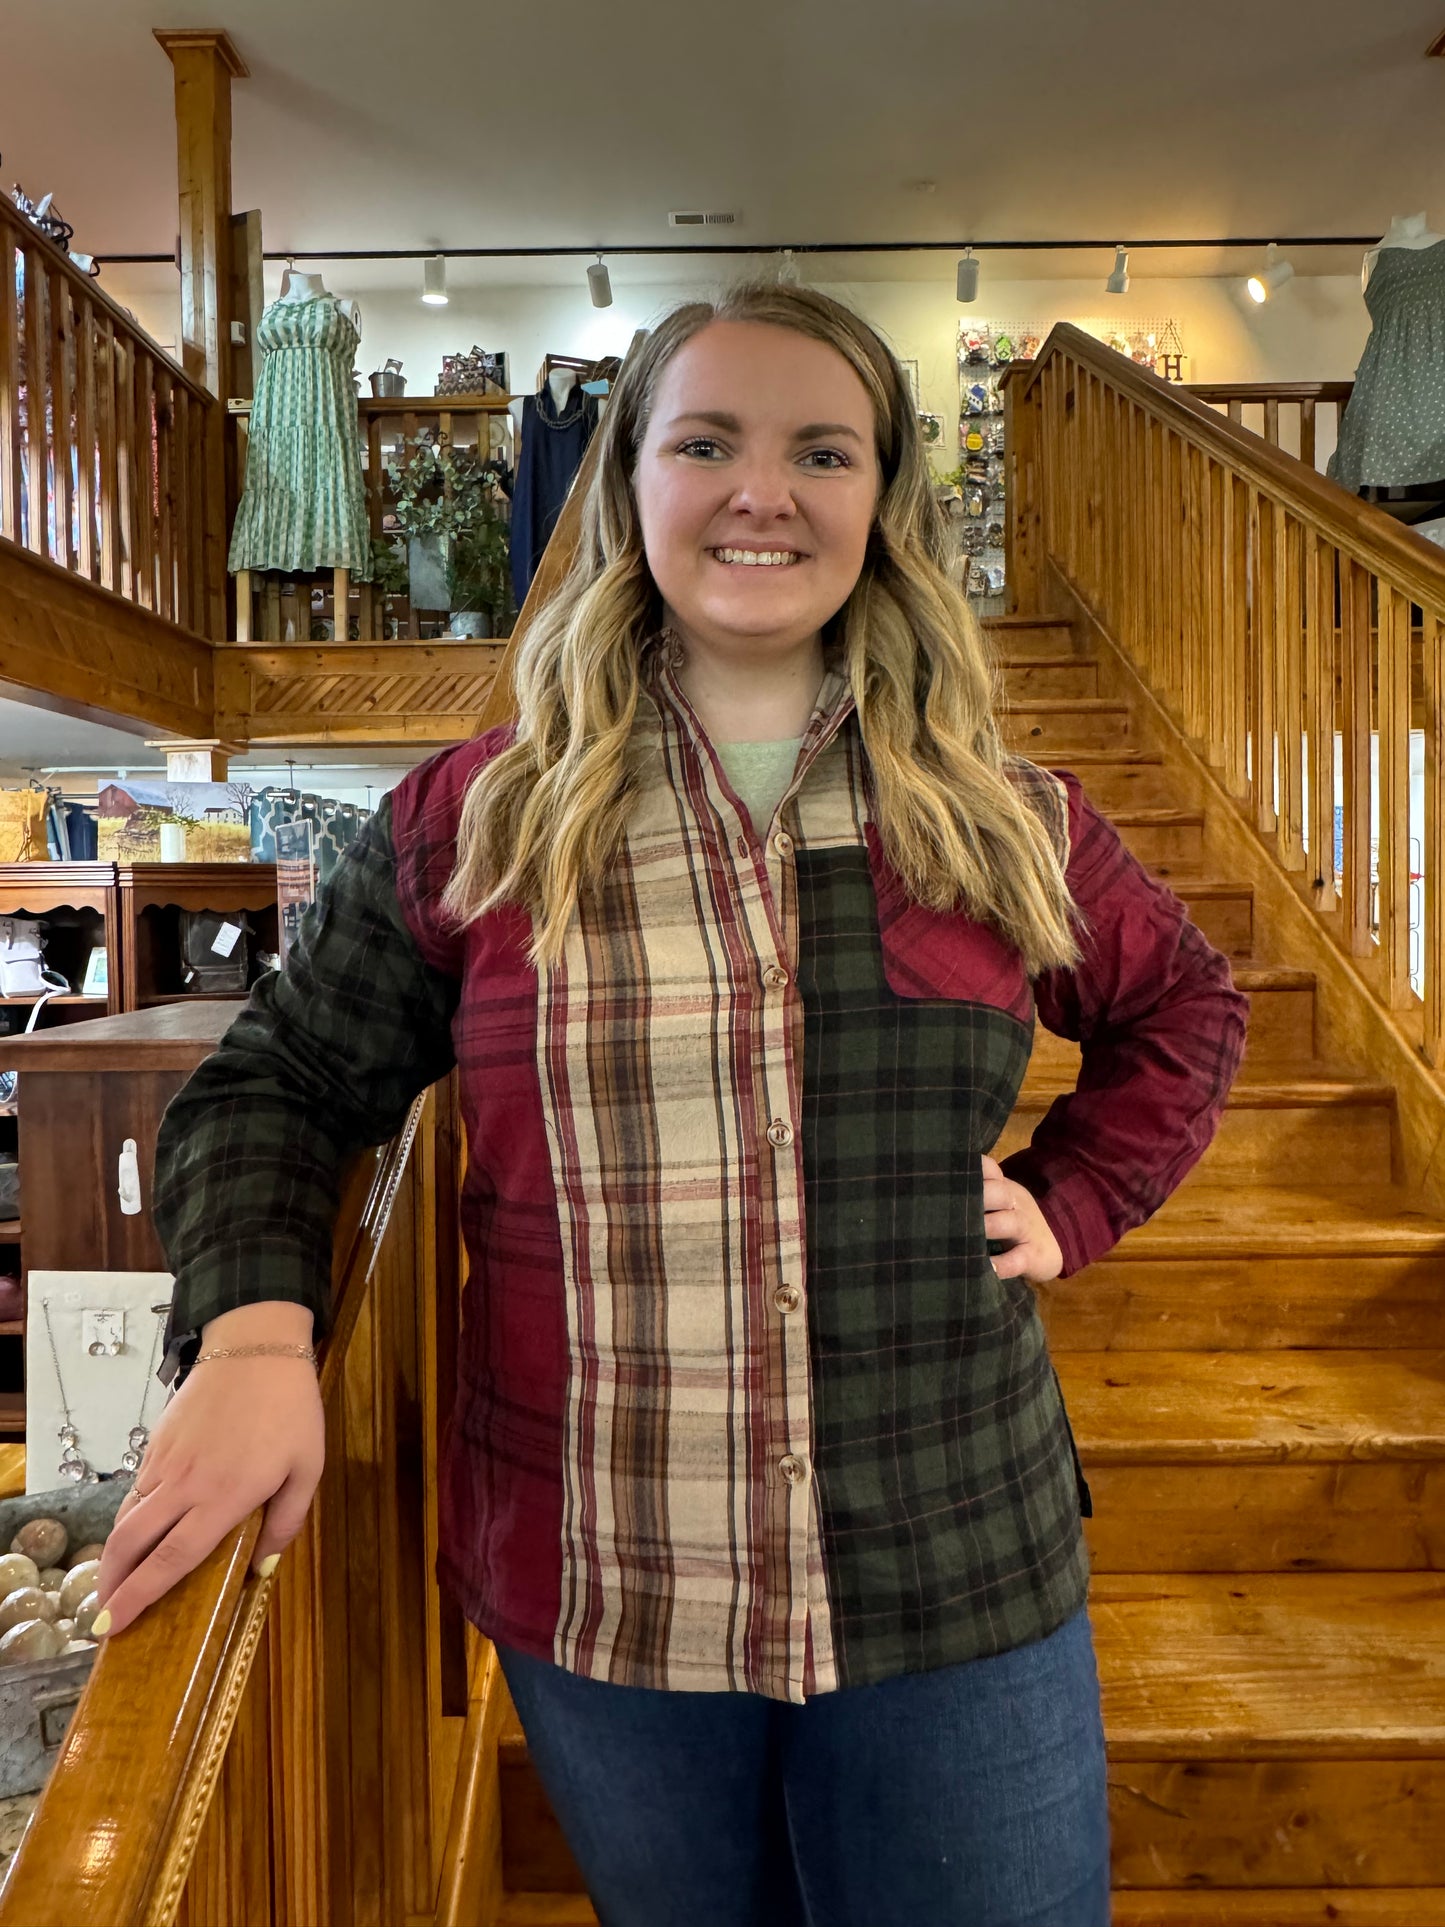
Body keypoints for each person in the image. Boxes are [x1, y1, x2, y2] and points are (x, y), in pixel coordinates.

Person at [96, 282, 1248, 1927]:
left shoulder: (1005, 821)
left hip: (955, 1572)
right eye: (704, 441)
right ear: (630, 483)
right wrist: (256, 1340)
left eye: (821, 450)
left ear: (882, 500)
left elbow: (1187, 1009)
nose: (759, 490)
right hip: (603, 1594)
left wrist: (1073, 1203)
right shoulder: (472, 821)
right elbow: (277, 1079)